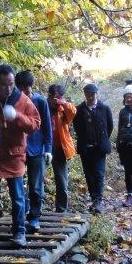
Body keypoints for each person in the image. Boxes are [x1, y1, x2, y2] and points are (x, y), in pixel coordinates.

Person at [0, 64, 41, 247]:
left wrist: (17, 116)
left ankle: (19, 232)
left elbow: (35, 124)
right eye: (4, 84)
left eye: (11, 84)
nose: (8, 88)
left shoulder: (23, 100)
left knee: (18, 198)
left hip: (15, 155)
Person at [15, 70, 52, 234]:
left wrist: (48, 149)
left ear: (31, 87)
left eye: (27, 89)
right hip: (18, 149)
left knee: (36, 186)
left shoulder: (40, 101)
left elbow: (47, 127)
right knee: (18, 185)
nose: (25, 92)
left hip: (37, 149)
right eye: (21, 89)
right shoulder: (13, 101)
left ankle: (34, 216)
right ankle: (22, 214)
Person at [72, 83, 113, 213]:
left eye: (92, 95)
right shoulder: (79, 109)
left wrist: (102, 139)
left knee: (99, 174)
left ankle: (98, 201)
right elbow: (77, 128)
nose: (90, 97)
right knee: (89, 175)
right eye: (87, 94)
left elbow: (109, 126)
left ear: (96, 94)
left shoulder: (104, 108)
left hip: (99, 148)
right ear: (85, 94)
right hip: (85, 147)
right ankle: (94, 198)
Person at [47, 84, 77, 213]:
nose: (54, 100)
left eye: (58, 97)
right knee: (37, 178)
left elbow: (73, 111)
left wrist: (63, 103)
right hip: (44, 147)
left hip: (60, 148)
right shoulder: (43, 107)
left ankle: (62, 208)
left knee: (61, 180)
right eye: (52, 97)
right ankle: (36, 208)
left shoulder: (63, 110)